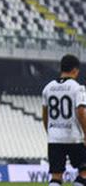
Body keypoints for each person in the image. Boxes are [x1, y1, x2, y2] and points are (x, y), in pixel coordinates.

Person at [43, 54, 86, 186]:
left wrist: (49, 132)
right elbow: (81, 112)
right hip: (74, 137)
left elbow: (45, 114)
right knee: (84, 172)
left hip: (55, 138)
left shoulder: (48, 88)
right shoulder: (78, 88)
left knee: (56, 176)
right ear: (75, 70)